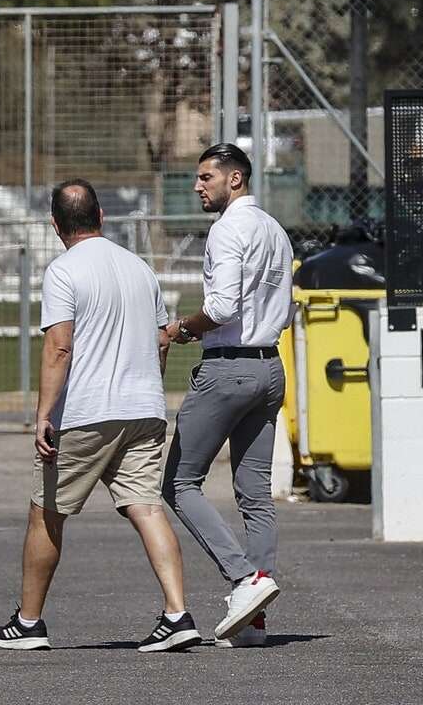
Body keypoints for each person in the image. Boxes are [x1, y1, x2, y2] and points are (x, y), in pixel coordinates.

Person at [0, 179, 201, 653]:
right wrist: (148, 386)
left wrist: (44, 413)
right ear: (102, 217)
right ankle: (177, 612)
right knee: (146, 507)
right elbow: (162, 338)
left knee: (47, 513)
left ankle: (28, 622)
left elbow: (60, 346)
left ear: (54, 224)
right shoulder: (140, 268)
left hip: (86, 413)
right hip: (145, 410)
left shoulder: (63, 271)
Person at [162, 143, 294, 648]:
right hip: (270, 367)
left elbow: (220, 307)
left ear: (233, 180)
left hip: (228, 368)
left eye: (205, 178)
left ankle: (246, 580)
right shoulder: (274, 230)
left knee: (178, 482)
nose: (198, 186)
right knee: (255, 494)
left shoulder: (227, 230)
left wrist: (182, 329)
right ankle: (254, 624)